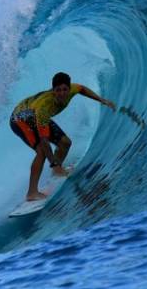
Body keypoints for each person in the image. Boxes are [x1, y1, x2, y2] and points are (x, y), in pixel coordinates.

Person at [10, 72, 116, 201]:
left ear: (69, 89)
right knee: (41, 152)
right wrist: (54, 164)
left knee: (65, 143)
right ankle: (32, 193)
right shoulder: (44, 107)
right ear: (53, 91)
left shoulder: (72, 89)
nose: (62, 93)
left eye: (65, 89)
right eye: (58, 90)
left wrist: (102, 100)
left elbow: (82, 88)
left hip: (35, 115)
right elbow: (44, 141)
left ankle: (56, 172)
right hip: (20, 119)